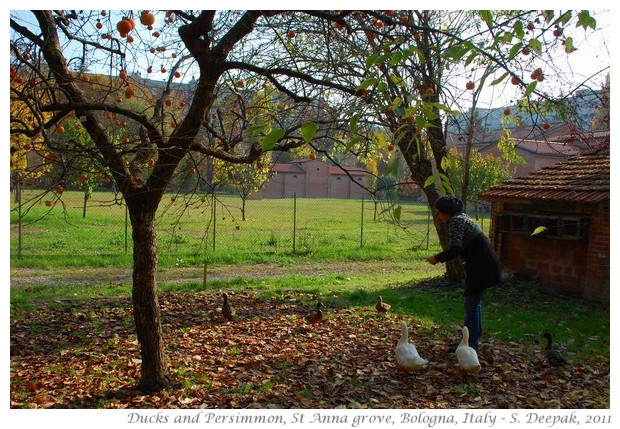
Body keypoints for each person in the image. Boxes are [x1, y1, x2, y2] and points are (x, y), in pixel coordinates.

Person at [425, 195, 501, 352]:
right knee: (474, 304)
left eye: (439, 212)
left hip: (482, 268)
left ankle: (470, 345)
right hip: (484, 266)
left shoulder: (456, 221)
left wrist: (437, 258)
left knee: (471, 305)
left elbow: (455, 250)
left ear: (446, 212)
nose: (438, 216)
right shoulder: (461, 217)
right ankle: (471, 342)